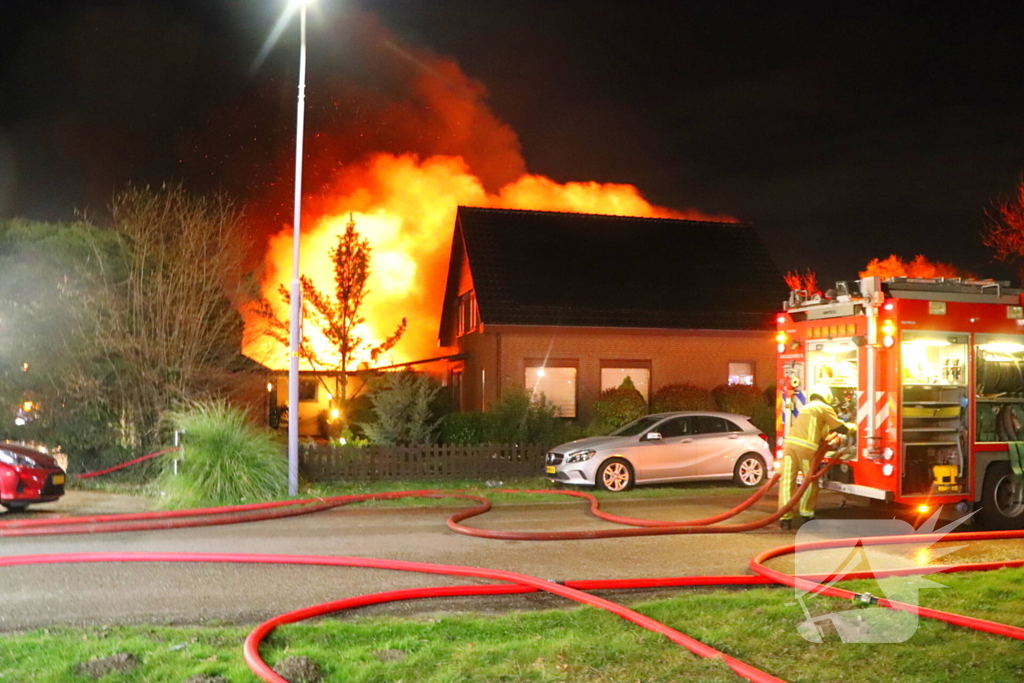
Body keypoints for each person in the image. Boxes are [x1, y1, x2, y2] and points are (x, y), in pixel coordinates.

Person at [777, 384, 856, 530]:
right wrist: (853, 426)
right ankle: (806, 515)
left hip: (789, 447)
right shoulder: (823, 408)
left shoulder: (806, 408)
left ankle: (785, 518)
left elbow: (821, 430)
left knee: (787, 482)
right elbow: (840, 428)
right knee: (809, 481)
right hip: (806, 449)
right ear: (827, 397)